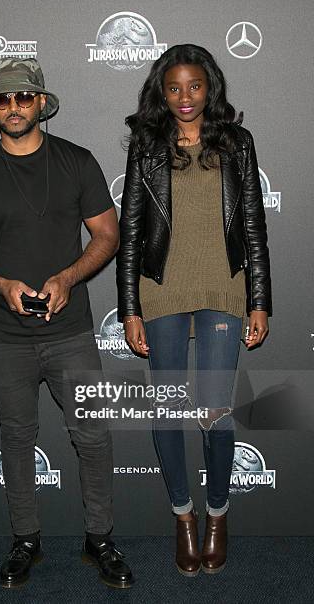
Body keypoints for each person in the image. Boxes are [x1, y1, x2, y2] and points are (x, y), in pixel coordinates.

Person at [0, 57, 133, 590]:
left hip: (71, 332)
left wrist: (68, 278)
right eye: (2, 100)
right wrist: (0, 285)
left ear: (42, 103)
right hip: (4, 339)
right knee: (17, 437)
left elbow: (107, 236)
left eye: (24, 98)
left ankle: (100, 539)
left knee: (93, 437)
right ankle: (25, 540)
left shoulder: (77, 162)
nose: (14, 108)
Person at [116, 44, 272, 576]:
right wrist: (130, 308)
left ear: (211, 88)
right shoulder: (146, 145)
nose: (185, 97)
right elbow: (131, 229)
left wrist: (259, 301)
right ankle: (182, 516)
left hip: (224, 290)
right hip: (160, 290)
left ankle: (217, 515)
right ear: (162, 90)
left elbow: (253, 226)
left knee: (213, 411)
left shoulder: (238, 144)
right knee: (166, 412)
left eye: (195, 86)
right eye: (175, 87)